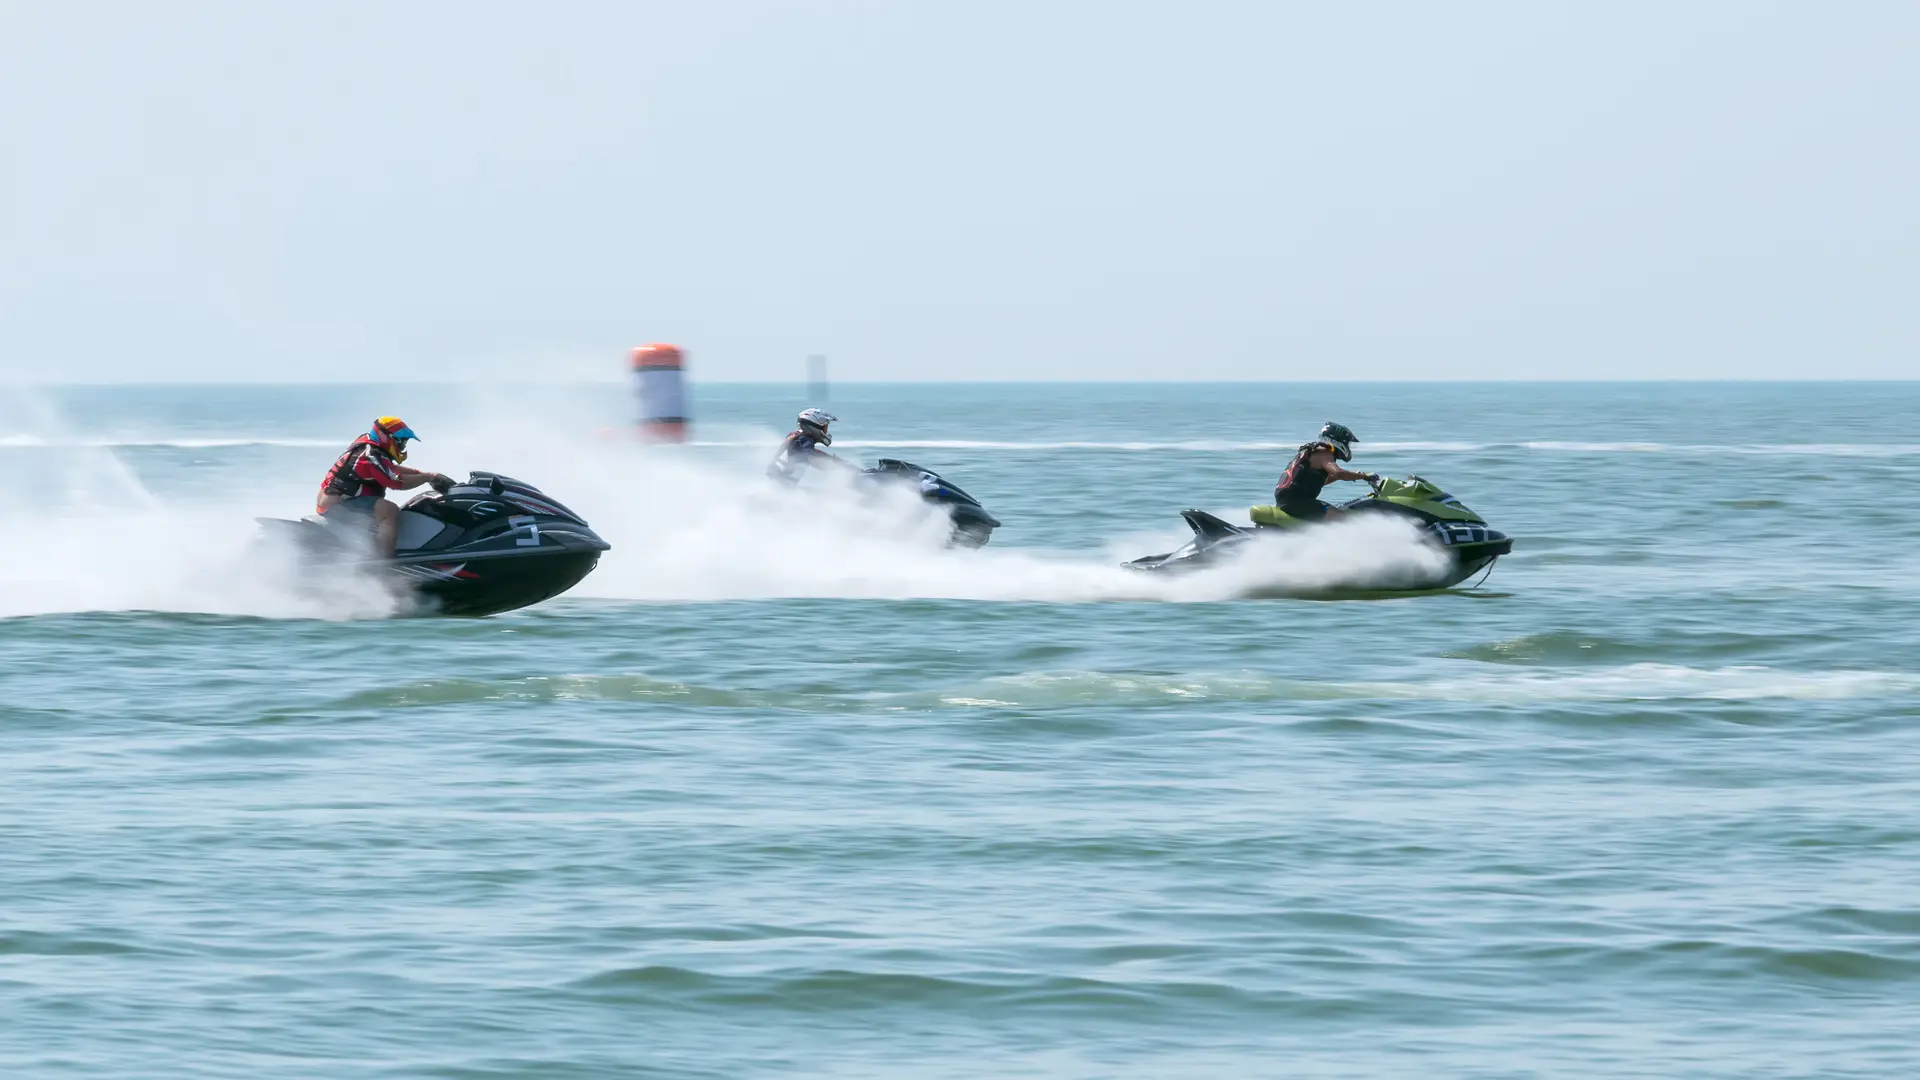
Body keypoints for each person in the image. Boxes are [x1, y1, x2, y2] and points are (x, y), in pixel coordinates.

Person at [315, 416, 450, 557]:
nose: (402, 445)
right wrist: (427, 477)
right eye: (400, 441)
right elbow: (395, 482)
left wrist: (426, 474)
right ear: (385, 437)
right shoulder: (370, 455)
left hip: (339, 499)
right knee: (389, 510)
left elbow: (390, 468)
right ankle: (384, 561)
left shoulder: (371, 447)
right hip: (338, 503)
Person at [1273, 421, 1380, 521]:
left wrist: (1346, 476)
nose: (1348, 447)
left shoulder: (1311, 452)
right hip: (1297, 501)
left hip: (1289, 500)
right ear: (1339, 441)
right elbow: (1339, 473)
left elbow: (1318, 482)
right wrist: (1364, 476)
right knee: (1341, 518)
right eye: (1348, 443)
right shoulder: (1324, 453)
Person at [768, 408, 858, 485]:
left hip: (780, 485)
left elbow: (811, 453)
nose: (826, 431)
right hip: (782, 489)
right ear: (815, 426)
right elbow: (814, 457)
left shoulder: (797, 438)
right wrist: (842, 467)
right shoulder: (803, 440)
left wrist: (835, 460)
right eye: (825, 428)